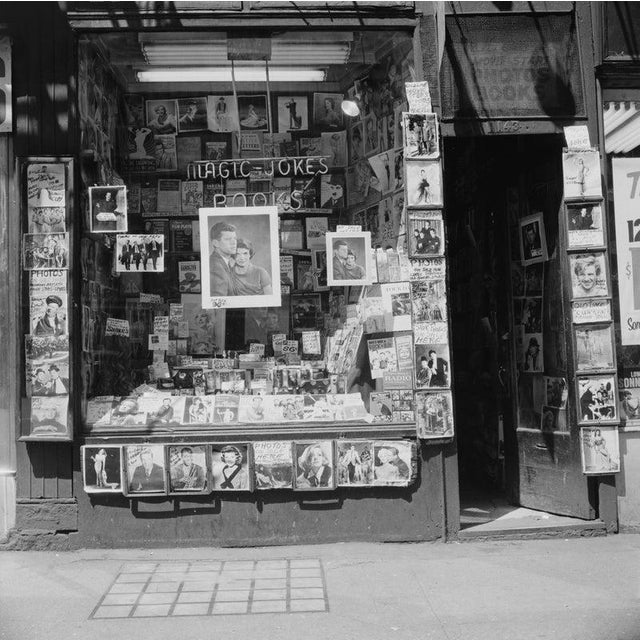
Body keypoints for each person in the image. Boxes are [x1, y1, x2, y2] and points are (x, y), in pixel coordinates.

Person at [209, 221, 238, 297]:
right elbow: (218, 303)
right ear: (215, 243)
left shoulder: (226, 262)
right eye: (228, 239)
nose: (234, 242)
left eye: (235, 238)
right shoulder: (216, 267)